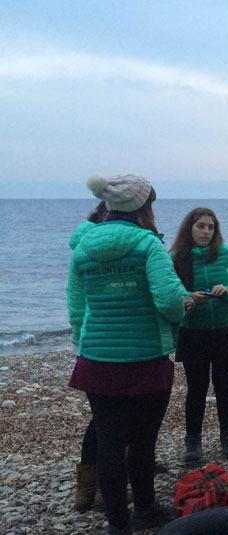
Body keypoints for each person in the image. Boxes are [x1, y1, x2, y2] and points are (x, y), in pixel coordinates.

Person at [67, 174, 191, 535]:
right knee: (142, 439)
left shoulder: (82, 250)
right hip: (145, 359)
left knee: (108, 441)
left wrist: (84, 342)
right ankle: (146, 507)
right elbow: (170, 300)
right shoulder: (148, 246)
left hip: (98, 360)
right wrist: (179, 315)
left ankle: (117, 530)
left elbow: (77, 308)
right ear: (143, 207)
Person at [170, 208, 228, 464]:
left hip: (225, 329)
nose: (206, 232)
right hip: (193, 332)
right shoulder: (176, 257)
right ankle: (193, 442)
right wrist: (188, 297)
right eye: (201, 226)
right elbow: (169, 292)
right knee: (196, 389)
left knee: (225, 386)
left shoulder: (226, 253)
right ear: (189, 227)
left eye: (211, 227)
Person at [69, 200, 108, 513]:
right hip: (110, 342)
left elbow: (75, 299)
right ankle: (100, 490)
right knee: (111, 421)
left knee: (102, 418)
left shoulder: (82, 247)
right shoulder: (100, 246)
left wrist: (79, 336)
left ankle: (87, 487)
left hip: (91, 342)